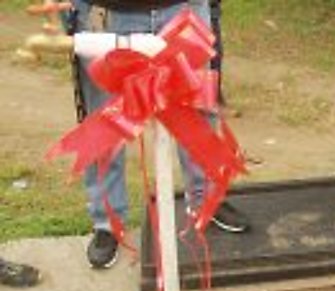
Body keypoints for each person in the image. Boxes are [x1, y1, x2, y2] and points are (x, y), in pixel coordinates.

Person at [70, 0, 251, 270]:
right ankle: (108, 223)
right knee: (105, 122)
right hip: (107, 15)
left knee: (198, 111)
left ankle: (205, 202)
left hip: (183, 8)